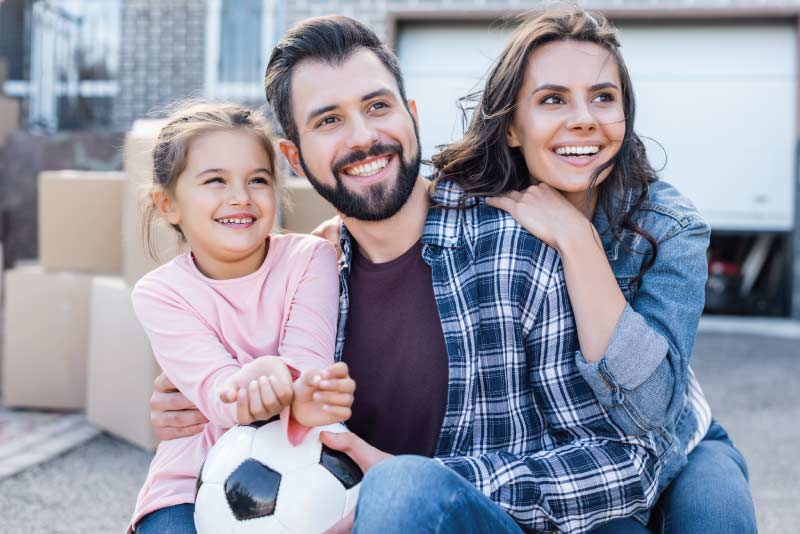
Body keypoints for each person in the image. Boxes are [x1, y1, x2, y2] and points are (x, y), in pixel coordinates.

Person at [149, 16, 660, 534]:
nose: (364, 136)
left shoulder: (513, 253)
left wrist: (419, 481)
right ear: (295, 159)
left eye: (377, 106)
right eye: (328, 121)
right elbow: (233, 388)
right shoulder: (307, 279)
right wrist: (198, 404)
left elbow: (624, 463)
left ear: (411, 115)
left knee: (403, 491)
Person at [432, 8, 756, 533]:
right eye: (553, 99)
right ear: (512, 126)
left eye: (603, 97)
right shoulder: (476, 212)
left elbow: (652, 408)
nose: (584, 118)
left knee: (718, 521)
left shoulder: (670, 228)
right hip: (578, 470)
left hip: (678, 444)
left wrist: (577, 239)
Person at [128, 102, 355, 534]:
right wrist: (269, 376)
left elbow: (310, 362)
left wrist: (290, 378)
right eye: (215, 181)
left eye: (258, 180)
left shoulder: (310, 259)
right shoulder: (161, 293)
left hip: (301, 472)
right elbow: (217, 392)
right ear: (167, 205)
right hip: (188, 486)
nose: (241, 197)